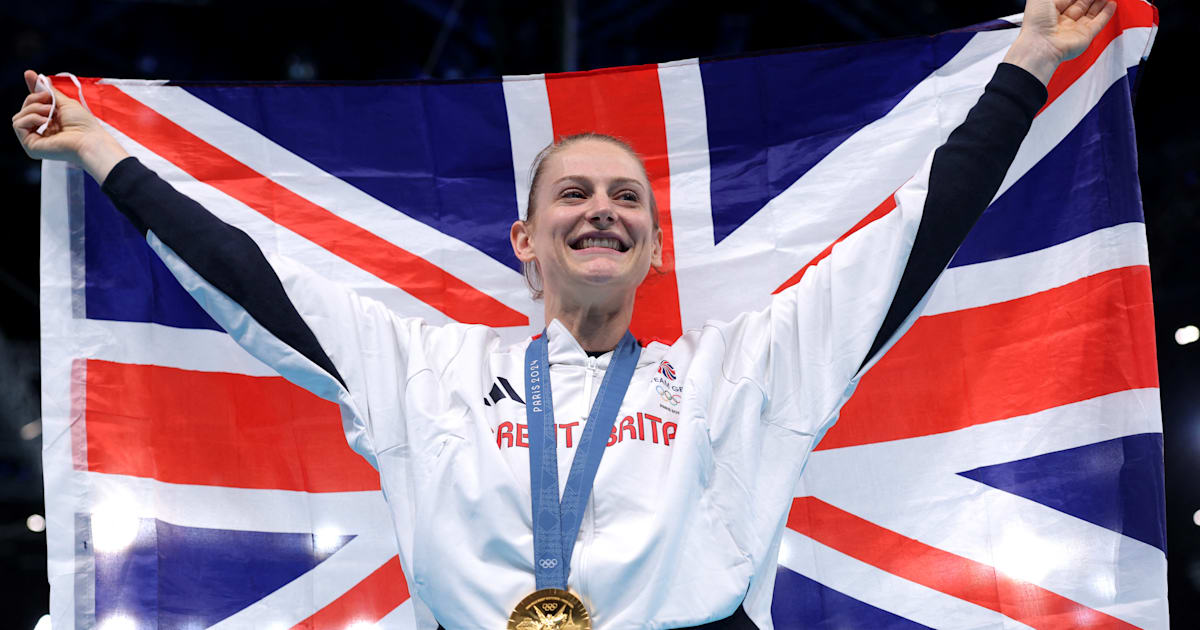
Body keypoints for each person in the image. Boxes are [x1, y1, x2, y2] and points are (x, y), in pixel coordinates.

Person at [13, 0, 1116, 628]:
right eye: (573, 196)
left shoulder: (743, 369)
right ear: (525, 243)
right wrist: (97, 145)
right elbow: (243, 271)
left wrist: (1027, 61)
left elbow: (909, 239)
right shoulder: (422, 367)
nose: (602, 211)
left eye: (626, 197)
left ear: (653, 243)